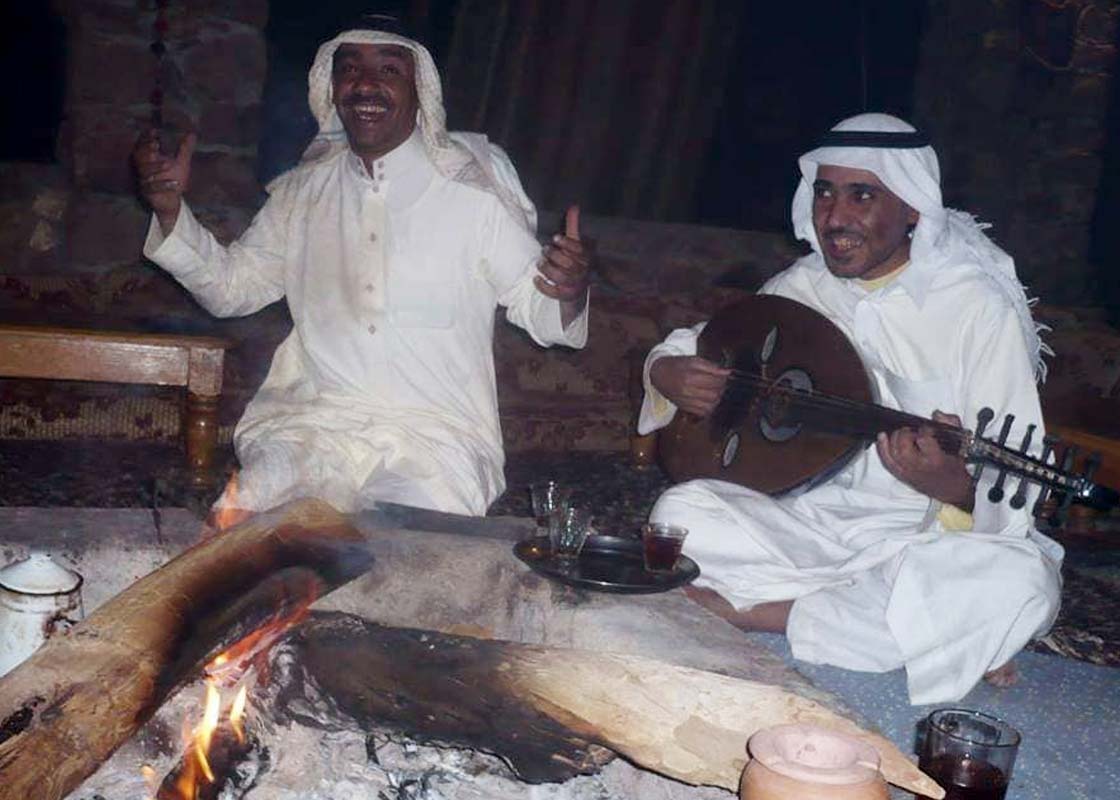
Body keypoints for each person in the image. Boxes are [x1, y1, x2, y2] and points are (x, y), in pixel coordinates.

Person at [638, 113, 1062, 705]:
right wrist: (668, 373)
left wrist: (957, 488)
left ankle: (761, 614)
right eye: (825, 192)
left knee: (1020, 583)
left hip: (922, 540)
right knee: (682, 512)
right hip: (810, 524)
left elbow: (1019, 473)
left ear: (912, 207)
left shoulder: (973, 306)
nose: (835, 217)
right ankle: (912, 630)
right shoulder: (801, 287)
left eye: (862, 195)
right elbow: (696, 344)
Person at [133, 14, 590, 518]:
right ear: (331, 87)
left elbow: (539, 308)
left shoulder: (474, 189)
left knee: (400, 550)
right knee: (246, 528)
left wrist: (566, 291)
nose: (365, 84)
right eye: (349, 69)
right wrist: (171, 211)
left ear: (421, 91)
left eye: (389, 70)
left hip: (436, 443)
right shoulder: (304, 192)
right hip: (312, 429)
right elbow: (231, 289)